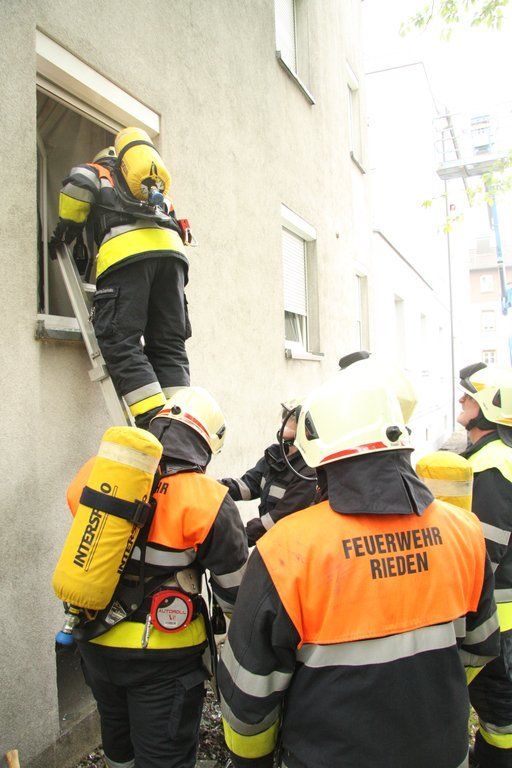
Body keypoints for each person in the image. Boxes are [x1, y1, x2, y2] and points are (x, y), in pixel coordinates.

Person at [218, 352, 500, 768]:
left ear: (319, 455)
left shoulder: (286, 550)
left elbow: (248, 695)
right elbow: (480, 649)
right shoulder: (464, 531)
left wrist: (252, 762)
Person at [68, 387, 248, 768]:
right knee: (164, 757)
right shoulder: (209, 498)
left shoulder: (99, 471)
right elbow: (236, 596)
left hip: (94, 642)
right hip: (163, 661)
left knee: (118, 747)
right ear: (207, 444)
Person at [50, 133, 192, 429]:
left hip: (127, 256)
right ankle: (180, 425)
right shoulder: (154, 188)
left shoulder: (97, 171)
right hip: (173, 259)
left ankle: (154, 424)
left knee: (120, 340)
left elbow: (75, 192)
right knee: (168, 345)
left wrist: (65, 230)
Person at [458, 362, 512, 768]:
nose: (461, 400)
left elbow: (483, 556)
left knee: (500, 718)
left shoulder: (490, 467)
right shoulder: (497, 458)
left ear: (488, 408)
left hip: (499, 624)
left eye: (469, 396)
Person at [219, 400, 316, 545]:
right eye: (284, 415)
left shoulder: (308, 472)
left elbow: (278, 519)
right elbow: (247, 486)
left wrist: (237, 539)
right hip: (269, 542)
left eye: (291, 418)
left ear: (306, 428)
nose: (283, 420)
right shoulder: (276, 456)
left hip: (290, 547)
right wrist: (211, 489)